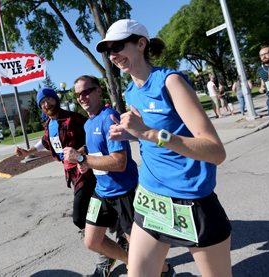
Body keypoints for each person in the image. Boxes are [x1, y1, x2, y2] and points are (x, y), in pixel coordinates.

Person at [97, 19, 232, 276]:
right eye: (108, 50)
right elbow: (155, 138)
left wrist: (148, 132)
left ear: (140, 43)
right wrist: (133, 135)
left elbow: (215, 151)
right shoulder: (130, 92)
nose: (113, 55)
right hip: (151, 199)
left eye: (117, 46)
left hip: (191, 200)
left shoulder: (170, 82)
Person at [64, 75, 175, 277]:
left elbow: (119, 162)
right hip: (102, 192)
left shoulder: (109, 118)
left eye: (86, 91)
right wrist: (82, 155)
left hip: (125, 193)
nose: (82, 97)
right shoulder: (89, 123)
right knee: (92, 241)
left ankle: (165, 270)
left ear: (98, 91)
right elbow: (96, 149)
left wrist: (82, 160)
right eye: (78, 94)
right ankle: (129, 260)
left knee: (142, 253)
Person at [16, 88, 122, 274]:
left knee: (80, 217)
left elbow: (92, 137)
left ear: (56, 99)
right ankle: (119, 233)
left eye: (48, 99)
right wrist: (28, 152)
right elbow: (46, 142)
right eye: (42, 102)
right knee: (95, 210)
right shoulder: (50, 123)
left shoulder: (73, 119)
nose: (46, 104)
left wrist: (81, 152)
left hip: (86, 172)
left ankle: (107, 252)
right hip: (72, 175)